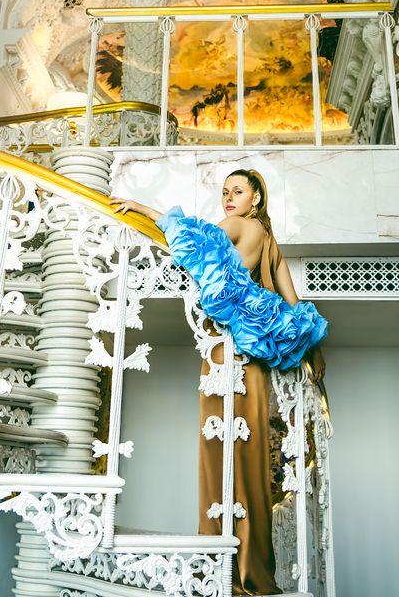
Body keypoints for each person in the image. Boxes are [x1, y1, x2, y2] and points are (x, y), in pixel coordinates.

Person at [110, 169, 326, 595]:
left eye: (237, 192)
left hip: (227, 347)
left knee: (222, 444)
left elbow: (187, 232)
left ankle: (224, 563)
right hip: (257, 352)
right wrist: (313, 349)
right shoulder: (269, 242)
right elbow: (293, 302)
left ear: (256, 198)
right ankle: (254, 567)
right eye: (224, 192)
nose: (228, 198)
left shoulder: (236, 226)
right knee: (249, 450)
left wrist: (141, 208)